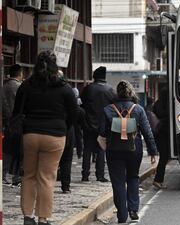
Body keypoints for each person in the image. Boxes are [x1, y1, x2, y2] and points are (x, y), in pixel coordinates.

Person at [12, 50, 78, 225]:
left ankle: (27, 216)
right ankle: (43, 218)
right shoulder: (65, 89)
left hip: (30, 135)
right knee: (47, 177)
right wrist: (63, 126)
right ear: (55, 66)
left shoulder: (26, 85)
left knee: (29, 175)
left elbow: (17, 112)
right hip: (55, 136)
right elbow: (74, 114)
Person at [99, 80, 157, 224]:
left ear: (116, 93)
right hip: (134, 148)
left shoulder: (107, 109)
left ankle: (122, 214)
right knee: (133, 177)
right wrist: (152, 151)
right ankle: (133, 209)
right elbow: (147, 132)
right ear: (131, 92)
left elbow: (101, 132)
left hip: (114, 149)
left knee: (118, 182)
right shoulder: (138, 109)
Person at [80, 66, 114, 182]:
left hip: (88, 124)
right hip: (103, 126)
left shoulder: (88, 89)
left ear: (95, 76)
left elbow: (82, 103)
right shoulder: (110, 90)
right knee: (101, 150)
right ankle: (100, 175)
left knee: (87, 150)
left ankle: (85, 175)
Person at [2, 64, 23, 186]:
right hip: (18, 122)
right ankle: (17, 177)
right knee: (19, 151)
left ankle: (3, 174)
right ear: (19, 74)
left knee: (7, 151)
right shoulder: (19, 87)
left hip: (6, 122)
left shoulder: (4, 87)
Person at [153, 87, 170, 189]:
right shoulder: (165, 106)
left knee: (164, 157)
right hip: (163, 133)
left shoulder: (157, 104)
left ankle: (158, 179)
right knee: (164, 157)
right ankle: (158, 180)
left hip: (159, 134)